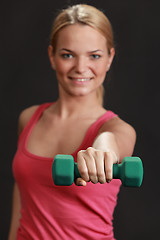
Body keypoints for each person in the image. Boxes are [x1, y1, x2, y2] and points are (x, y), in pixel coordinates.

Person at [8, 4, 136, 240]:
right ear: (52, 56)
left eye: (94, 56)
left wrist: (102, 152)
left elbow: (111, 142)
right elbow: (23, 195)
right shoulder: (28, 118)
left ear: (110, 58)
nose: (80, 68)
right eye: (68, 55)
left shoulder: (116, 128)